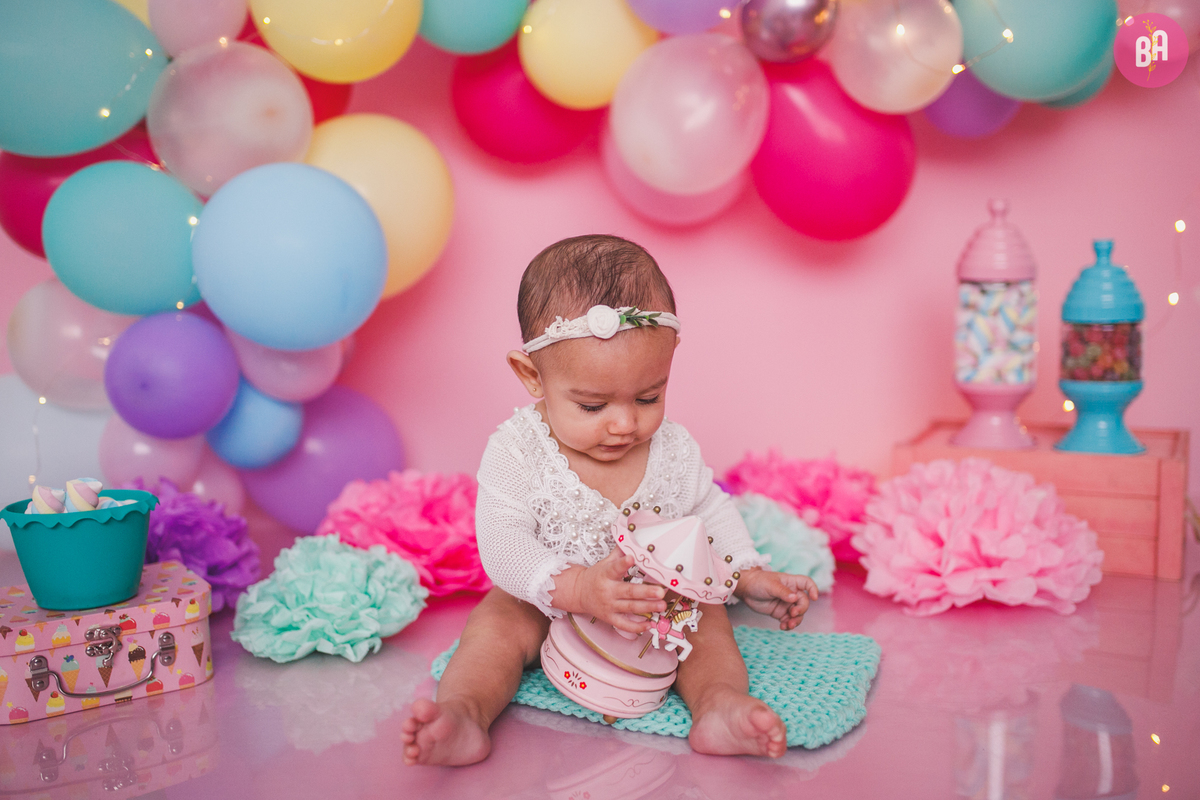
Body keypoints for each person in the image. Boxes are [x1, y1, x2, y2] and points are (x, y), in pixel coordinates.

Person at [402, 235, 819, 766]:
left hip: (655, 601)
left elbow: (708, 511)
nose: (626, 424)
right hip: (546, 597)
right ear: (533, 376)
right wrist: (576, 588)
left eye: (649, 397)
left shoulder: (672, 448)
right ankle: (463, 714)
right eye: (593, 405)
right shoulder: (518, 450)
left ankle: (719, 706)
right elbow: (502, 544)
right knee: (495, 626)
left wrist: (746, 573)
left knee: (707, 620)